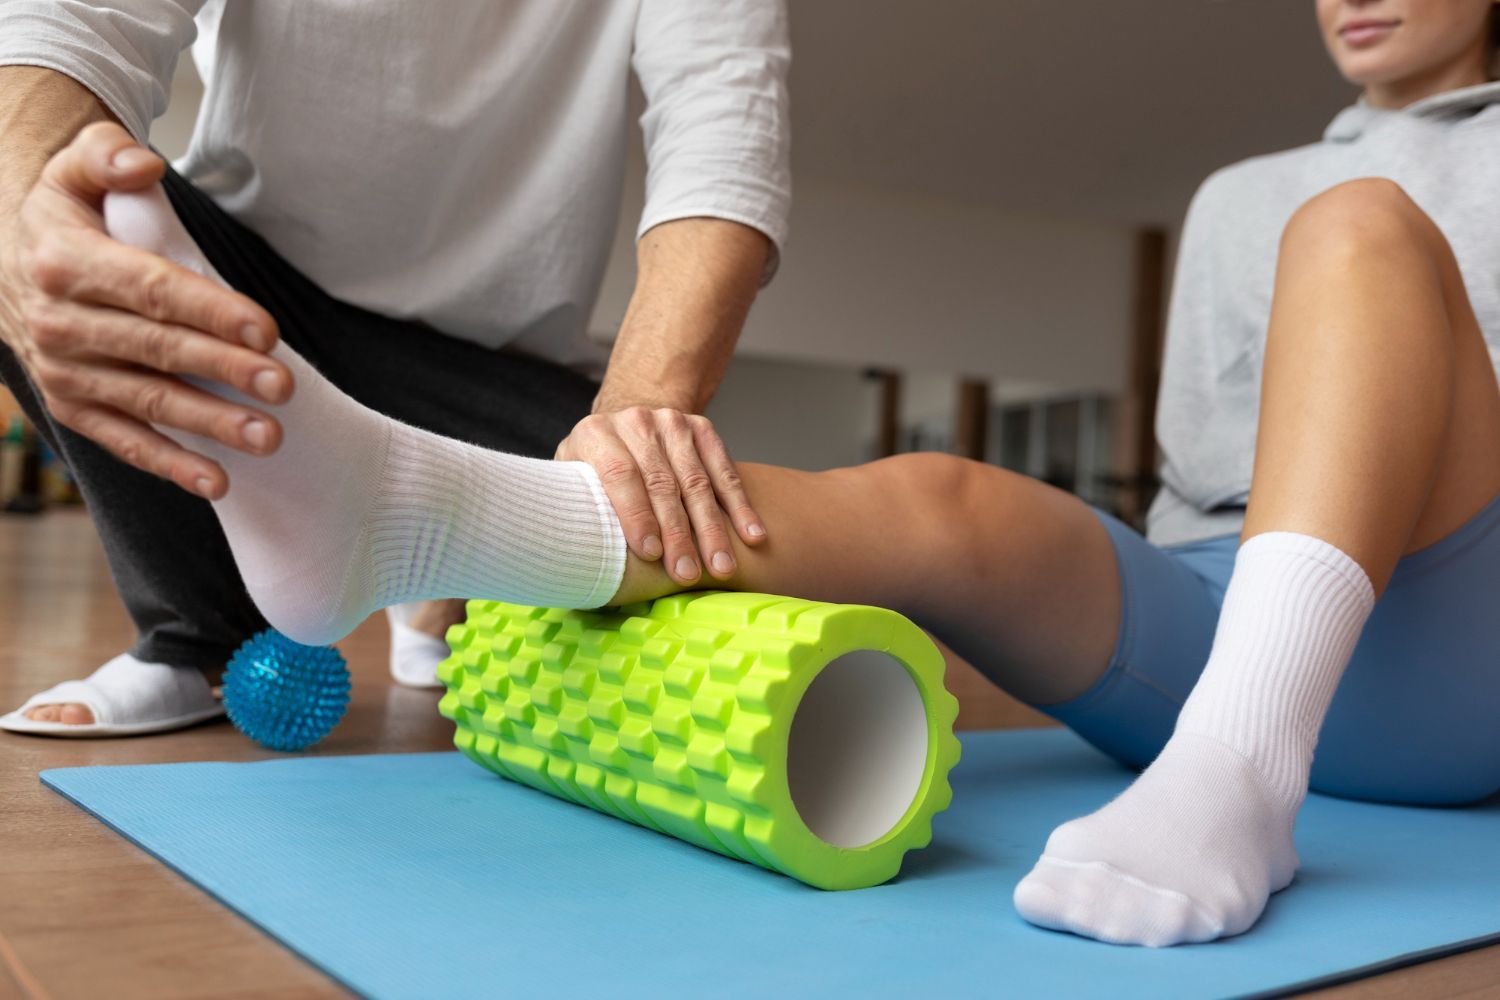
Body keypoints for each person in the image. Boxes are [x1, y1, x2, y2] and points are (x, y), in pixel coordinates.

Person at [13, 0, 1500, 949]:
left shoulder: (1352, 205)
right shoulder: (1236, 197)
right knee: (940, 499)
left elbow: (727, 129)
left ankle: (1244, 764)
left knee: (1357, 223)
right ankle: (399, 520)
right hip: (1213, 615)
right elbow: (1208, 476)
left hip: (1446, 625)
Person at [0, 1, 790, 734]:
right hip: (254, 311)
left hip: (491, 370)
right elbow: (70, 22)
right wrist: (21, 228)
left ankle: (423, 568)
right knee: (65, 195)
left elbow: (722, 126)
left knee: (686, 520)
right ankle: (197, 635)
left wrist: (630, 426)